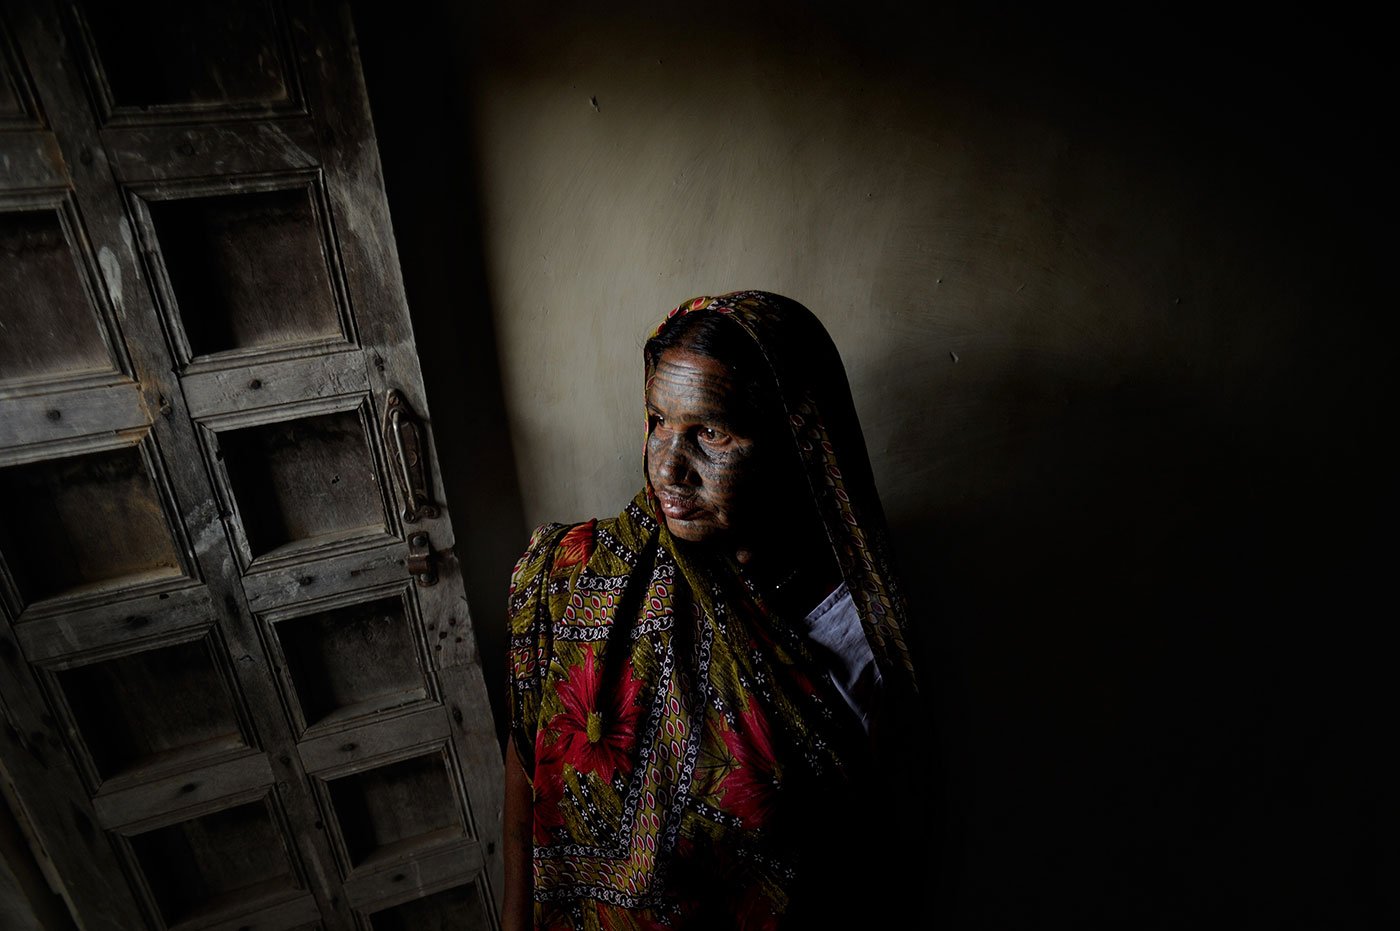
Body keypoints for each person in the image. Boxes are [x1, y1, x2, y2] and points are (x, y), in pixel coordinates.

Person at [503, 290, 921, 930]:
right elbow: (524, 801)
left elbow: (864, 859)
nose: (668, 467)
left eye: (711, 432)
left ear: (794, 440)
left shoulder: (861, 632)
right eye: (657, 420)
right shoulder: (574, 578)